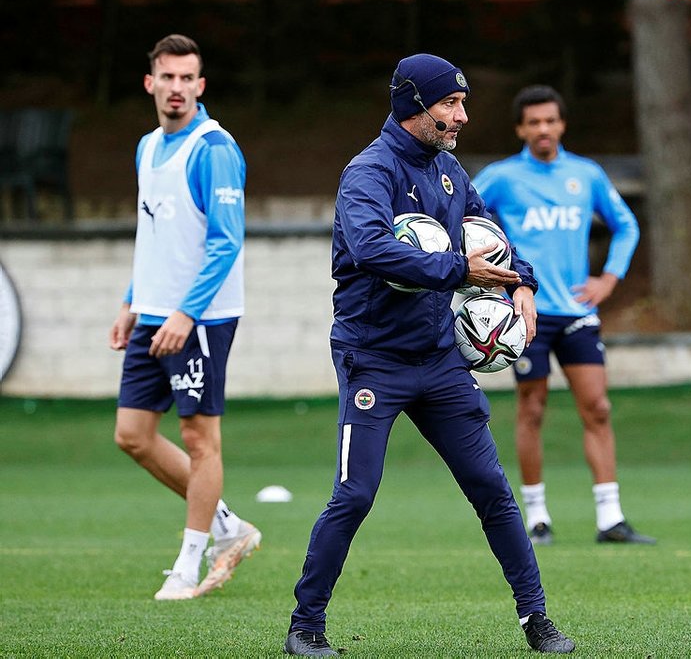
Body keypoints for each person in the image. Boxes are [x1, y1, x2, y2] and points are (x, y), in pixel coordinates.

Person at [283, 55, 575, 656]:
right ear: (414, 104)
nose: (461, 116)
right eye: (450, 104)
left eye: (462, 104)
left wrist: (521, 282)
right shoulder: (368, 173)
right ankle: (305, 627)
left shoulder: (448, 171)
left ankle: (537, 621)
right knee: (356, 493)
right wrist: (453, 269)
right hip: (373, 358)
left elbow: (488, 236)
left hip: (439, 359)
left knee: (491, 488)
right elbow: (369, 249)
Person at [109, 34, 261, 600]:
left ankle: (189, 564)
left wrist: (185, 313)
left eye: (186, 78)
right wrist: (132, 302)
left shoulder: (214, 149)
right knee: (132, 435)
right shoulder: (147, 146)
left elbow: (226, 244)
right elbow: (155, 236)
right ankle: (229, 528)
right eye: (166, 78)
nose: (176, 88)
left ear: (201, 85)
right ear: (151, 82)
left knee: (199, 439)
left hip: (202, 318)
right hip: (154, 312)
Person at [473, 84, 656, 546]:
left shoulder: (586, 175)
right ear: (520, 128)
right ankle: (536, 518)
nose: (543, 129)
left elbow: (626, 225)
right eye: (533, 122)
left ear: (562, 124)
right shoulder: (501, 178)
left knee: (597, 407)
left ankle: (610, 518)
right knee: (532, 409)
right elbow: (463, 220)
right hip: (525, 312)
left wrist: (609, 279)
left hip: (576, 312)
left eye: (550, 120)